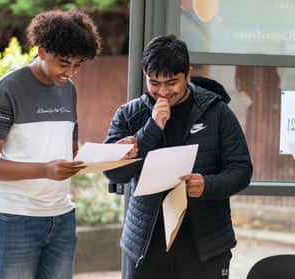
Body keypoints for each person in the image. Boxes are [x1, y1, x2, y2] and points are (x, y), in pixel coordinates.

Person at [104, 34, 253, 279]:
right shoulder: (129, 114)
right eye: (154, 83)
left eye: (171, 82)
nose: (162, 91)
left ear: (188, 74)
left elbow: (241, 170)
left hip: (204, 242)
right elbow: (114, 173)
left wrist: (208, 185)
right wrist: (151, 129)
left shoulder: (217, 112)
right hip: (146, 242)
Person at [0, 9, 102, 279]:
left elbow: (70, 148)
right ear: (42, 51)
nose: (70, 73)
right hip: (11, 217)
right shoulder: (8, 89)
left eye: (78, 65)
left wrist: (112, 151)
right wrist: (45, 170)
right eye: (64, 63)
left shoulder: (68, 89)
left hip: (60, 216)